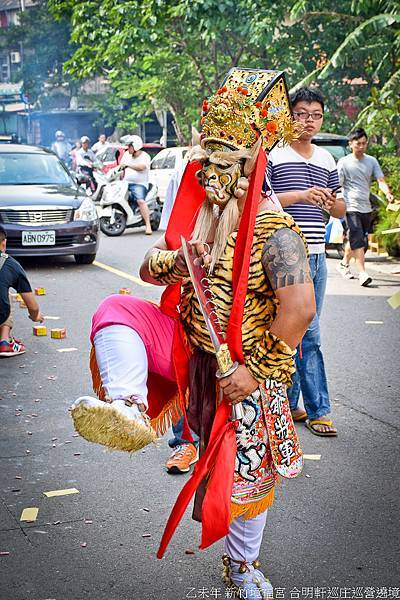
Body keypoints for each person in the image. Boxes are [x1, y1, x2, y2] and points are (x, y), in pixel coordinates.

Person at [71, 69, 315, 598]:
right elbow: (146, 269)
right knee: (117, 308)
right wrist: (181, 265)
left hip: (247, 372)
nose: (210, 173)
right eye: (207, 160)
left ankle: (243, 566)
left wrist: (254, 371)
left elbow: (299, 310)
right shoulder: (200, 216)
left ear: (250, 165)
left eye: (224, 162)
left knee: (244, 474)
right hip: (191, 351)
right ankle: (130, 408)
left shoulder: (275, 231)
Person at [268, 87, 346, 437]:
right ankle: (320, 410)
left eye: (315, 114)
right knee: (306, 334)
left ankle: (292, 403)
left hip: (317, 256)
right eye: (301, 113)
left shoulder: (328, 160)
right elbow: (264, 201)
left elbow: (343, 209)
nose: (308, 120)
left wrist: (330, 202)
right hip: (286, 257)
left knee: (302, 333)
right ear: (290, 115)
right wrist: (302, 194)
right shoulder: (275, 154)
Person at [337, 128, 394, 286]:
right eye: (358, 144)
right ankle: (362, 273)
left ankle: (343, 264)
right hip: (350, 206)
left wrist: (387, 193)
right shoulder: (344, 162)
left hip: (366, 207)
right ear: (350, 144)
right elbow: (337, 185)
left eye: (364, 143)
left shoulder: (371, 161)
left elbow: (380, 180)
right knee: (357, 238)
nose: (361, 146)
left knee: (360, 241)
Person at [0, 226, 44, 357]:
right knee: (6, 295)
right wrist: (35, 316)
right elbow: (33, 306)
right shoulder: (10, 264)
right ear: (4, 242)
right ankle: (4, 341)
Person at [120, 135, 153, 235]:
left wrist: (128, 165)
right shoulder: (126, 155)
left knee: (140, 201)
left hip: (139, 184)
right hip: (125, 183)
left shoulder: (145, 156)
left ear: (136, 146)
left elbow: (142, 167)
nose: (128, 148)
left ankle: (148, 225)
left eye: (130, 146)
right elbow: (121, 167)